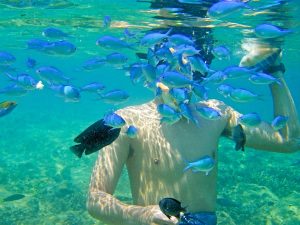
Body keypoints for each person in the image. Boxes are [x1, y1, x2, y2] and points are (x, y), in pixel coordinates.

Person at [86, 1, 300, 225]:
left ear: (198, 70)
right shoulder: (126, 121)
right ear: (153, 69)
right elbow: (95, 199)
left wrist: (274, 70)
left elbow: (288, 140)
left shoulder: (216, 114)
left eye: (186, 65)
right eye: (170, 66)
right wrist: (143, 214)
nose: (179, 73)